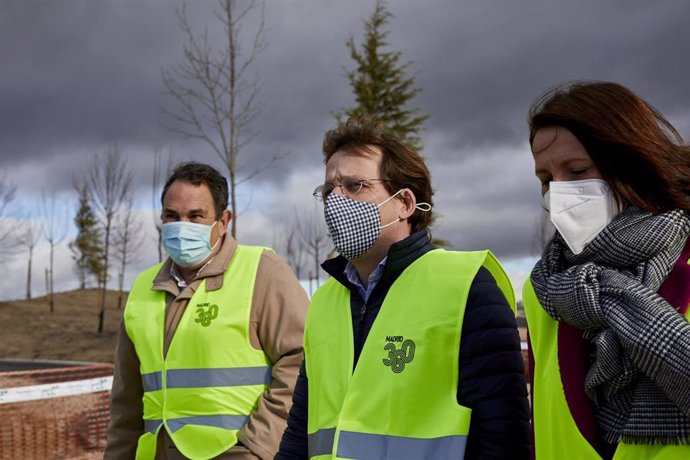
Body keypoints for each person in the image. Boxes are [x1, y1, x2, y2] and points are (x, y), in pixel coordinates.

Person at [277, 117, 530, 459]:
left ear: (405, 204)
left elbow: (501, 436)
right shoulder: (324, 300)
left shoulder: (466, 285)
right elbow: (301, 428)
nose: (336, 200)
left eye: (355, 186)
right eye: (328, 191)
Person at [524, 81, 690, 459]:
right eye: (546, 179)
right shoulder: (543, 290)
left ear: (633, 161)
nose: (559, 193)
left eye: (578, 170)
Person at [105, 162, 309, 459]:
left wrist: (259, 446)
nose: (181, 226)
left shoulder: (262, 271)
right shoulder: (142, 287)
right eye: (171, 216)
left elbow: (303, 360)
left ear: (223, 221)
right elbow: (126, 399)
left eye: (196, 216)